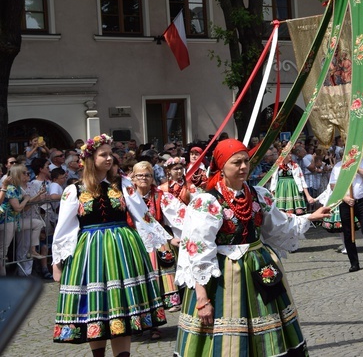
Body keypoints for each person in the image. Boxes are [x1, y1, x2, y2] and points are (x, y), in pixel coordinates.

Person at [173, 138, 331, 356]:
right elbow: (197, 251)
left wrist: (311, 216)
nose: (243, 167)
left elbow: (279, 224)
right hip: (223, 276)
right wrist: (202, 298)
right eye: (236, 163)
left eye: (246, 161)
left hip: (259, 271)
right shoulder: (207, 202)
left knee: (267, 335)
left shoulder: (258, 194)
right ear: (222, 166)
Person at [51, 134, 170, 355]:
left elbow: (142, 215)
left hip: (123, 249)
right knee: (96, 306)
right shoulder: (74, 190)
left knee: (122, 308)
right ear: (90, 159)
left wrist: (161, 241)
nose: (109, 158)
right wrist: (57, 262)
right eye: (103, 154)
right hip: (90, 251)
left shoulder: (124, 184)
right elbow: (64, 228)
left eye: (110, 154)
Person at [130, 161, 184, 335]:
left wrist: (179, 236)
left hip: (157, 244)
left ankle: (155, 325)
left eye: (147, 175)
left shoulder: (161, 196)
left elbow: (178, 215)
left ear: (152, 177)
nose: (143, 178)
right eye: (140, 175)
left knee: (157, 285)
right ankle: (138, 322)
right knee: (139, 283)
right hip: (135, 243)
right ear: (133, 177)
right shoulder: (128, 197)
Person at [0, 164, 45, 276]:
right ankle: (3, 276)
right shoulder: (10, 188)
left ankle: (32, 250)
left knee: (37, 223)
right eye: (24, 173)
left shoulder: (17, 188)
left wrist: (37, 195)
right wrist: (26, 199)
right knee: (3, 251)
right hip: (7, 221)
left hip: (15, 221)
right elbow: (18, 207)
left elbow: (26, 203)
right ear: (17, 175)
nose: (28, 174)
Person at [339, 142, 363, 271]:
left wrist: (356, 168)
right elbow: (333, 186)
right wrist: (345, 198)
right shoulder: (338, 166)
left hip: (361, 201)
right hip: (346, 203)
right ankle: (354, 262)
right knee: (348, 233)